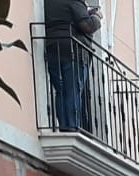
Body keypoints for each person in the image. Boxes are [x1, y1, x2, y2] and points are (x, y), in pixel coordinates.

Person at [43, 0, 101, 133]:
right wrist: (96, 17)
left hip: (53, 48)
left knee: (61, 91)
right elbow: (87, 25)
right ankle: (72, 127)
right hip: (74, 50)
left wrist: (86, 13)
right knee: (73, 90)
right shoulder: (75, 1)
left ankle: (64, 125)